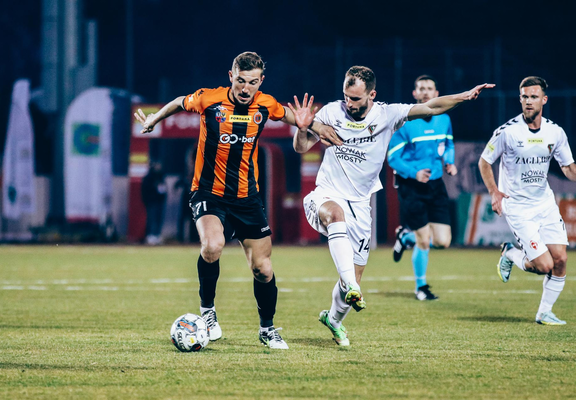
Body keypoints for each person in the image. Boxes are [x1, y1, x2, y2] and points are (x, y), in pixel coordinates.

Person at [134, 51, 339, 349]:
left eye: (252, 82)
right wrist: (155, 118)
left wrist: (315, 127)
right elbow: (179, 101)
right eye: (241, 81)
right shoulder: (210, 99)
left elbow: (294, 117)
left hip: (247, 198)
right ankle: (207, 312)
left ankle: (267, 329)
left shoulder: (265, 104)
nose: (245, 88)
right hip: (208, 192)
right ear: (231, 76)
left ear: (261, 81)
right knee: (212, 245)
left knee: (263, 269)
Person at [292, 66, 493, 346]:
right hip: (326, 194)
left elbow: (432, 107)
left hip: (360, 205)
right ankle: (351, 284)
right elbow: (301, 147)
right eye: (346, 96)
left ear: (372, 95)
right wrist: (303, 128)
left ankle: (334, 319)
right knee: (336, 218)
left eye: (356, 99)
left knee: (355, 277)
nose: (349, 103)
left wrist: (464, 96)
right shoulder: (331, 112)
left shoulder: (388, 115)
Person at [478, 76, 576, 325]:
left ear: (544, 100)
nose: (529, 101)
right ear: (520, 99)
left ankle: (544, 313)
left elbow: (568, 168)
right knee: (544, 266)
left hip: (545, 204)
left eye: (534, 97)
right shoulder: (507, 132)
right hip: (518, 208)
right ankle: (510, 253)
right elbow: (484, 161)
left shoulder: (555, 132)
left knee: (561, 260)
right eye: (525, 97)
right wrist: (494, 192)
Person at [388, 75, 457, 301]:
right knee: (424, 240)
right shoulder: (405, 123)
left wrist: (449, 162)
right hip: (411, 187)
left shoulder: (444, 119)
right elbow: (393, 158)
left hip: (436, 185)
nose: (426, 92)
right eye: (421, 88)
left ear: (437, 94)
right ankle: (421, 287)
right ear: (414, 94)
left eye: (429, 88)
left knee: (443, 241)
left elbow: (448, 144)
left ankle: (405, 237)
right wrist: (414, 173)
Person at [141, 161, 168, 245]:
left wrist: (163, 199)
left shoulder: (161, 177)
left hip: (159, 202)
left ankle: (157, 235)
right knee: (151, 219)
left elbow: (164, 190)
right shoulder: (148, 178)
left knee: (159, 219)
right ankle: (150, 236)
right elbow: (144, 191)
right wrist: (147, 201)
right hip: (151, 202)